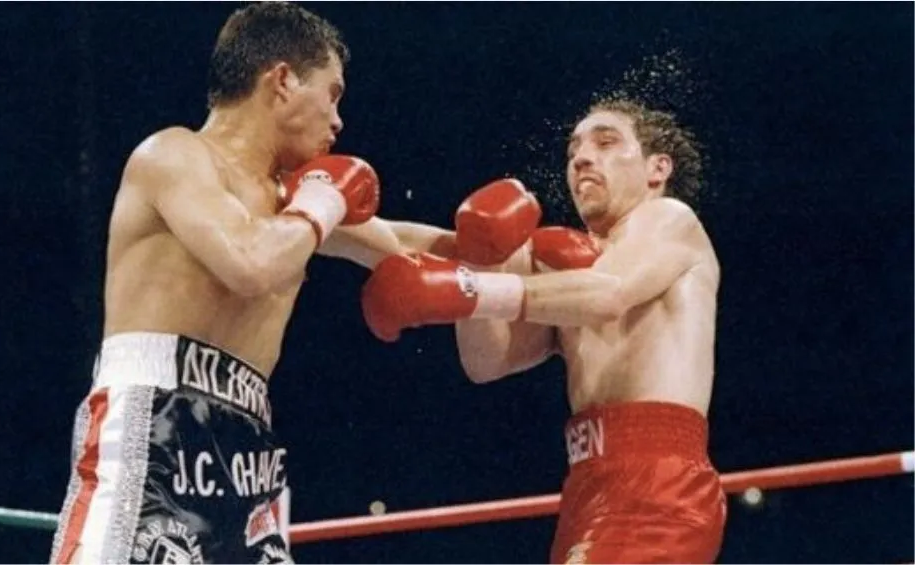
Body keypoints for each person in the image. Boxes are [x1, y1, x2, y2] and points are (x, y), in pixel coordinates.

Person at [47, 3, 436, 563]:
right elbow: (249, 262)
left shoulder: (291, 204)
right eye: (331, 93)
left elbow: (403, 245)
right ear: (281, 81)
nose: (338, 119)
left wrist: (513, 256)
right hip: (155, 429)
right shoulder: (174, 155)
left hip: (249, 457)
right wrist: (321, 205)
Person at [361, 98, 727, 563]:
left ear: (658, 168)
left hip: (658, 484)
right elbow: (484, 361)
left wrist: (471, 287)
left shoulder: (670, 220)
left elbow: (606, 295)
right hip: (586, 487)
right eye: (574, 149)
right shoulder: (568, 272)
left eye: (606, 142)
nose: (582, 157)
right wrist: (322, 217)